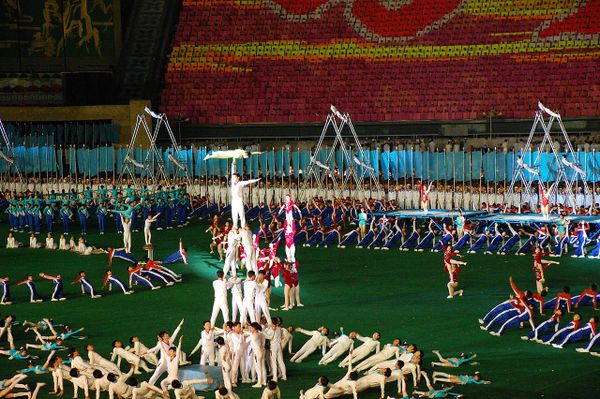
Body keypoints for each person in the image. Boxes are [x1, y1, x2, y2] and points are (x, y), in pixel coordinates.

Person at [147, 319, 184, 385]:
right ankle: (149, 385)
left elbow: (175, 333)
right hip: (163, 362)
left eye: (167, 334)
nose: (167, 334)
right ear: (163, 337)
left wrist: (180, 325)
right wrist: (146, 352)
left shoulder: (170, 340)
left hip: (169, 362)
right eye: (166, 334)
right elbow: (155, 348)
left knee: (174, 374)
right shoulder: (160, 343)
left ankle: (174, 384)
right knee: (156, 374)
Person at [230, 161, 260, 228]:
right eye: (233, 177)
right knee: (234, 214)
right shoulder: (232, 182)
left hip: (239, 200)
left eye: (235, 177)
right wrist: (233, 164)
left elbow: (248, 181)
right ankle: (235, 226)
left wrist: (256, 180)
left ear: (238, 178)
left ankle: (243, 227)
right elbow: (232, 172)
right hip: (234, 201)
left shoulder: (240, 183)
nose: (234, 178)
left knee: (241, 214)